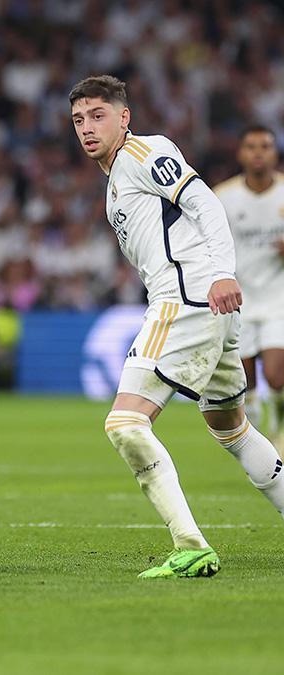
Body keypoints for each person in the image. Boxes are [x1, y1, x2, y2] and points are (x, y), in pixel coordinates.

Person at [70, 75, 284, 579]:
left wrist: (223, 272)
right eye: (78, 119)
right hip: (208, 307)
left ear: (124, 118)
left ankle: (190, 544)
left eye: (98, 115)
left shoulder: (145, 152)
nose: (86, 127)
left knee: (124, 424)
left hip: (185, 300)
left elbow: (205, 202)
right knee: (230, 427)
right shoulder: (114, 183)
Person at [214, 127, 284, 443]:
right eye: (251, 146)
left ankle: (279, 421)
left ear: (275, 153)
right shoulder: (222, 197)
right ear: (241, 153)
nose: (258, 152)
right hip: (239, 300)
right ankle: (259, 433)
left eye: (265, 146)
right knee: (246, 384)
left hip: (278, 298)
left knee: (275, 374)